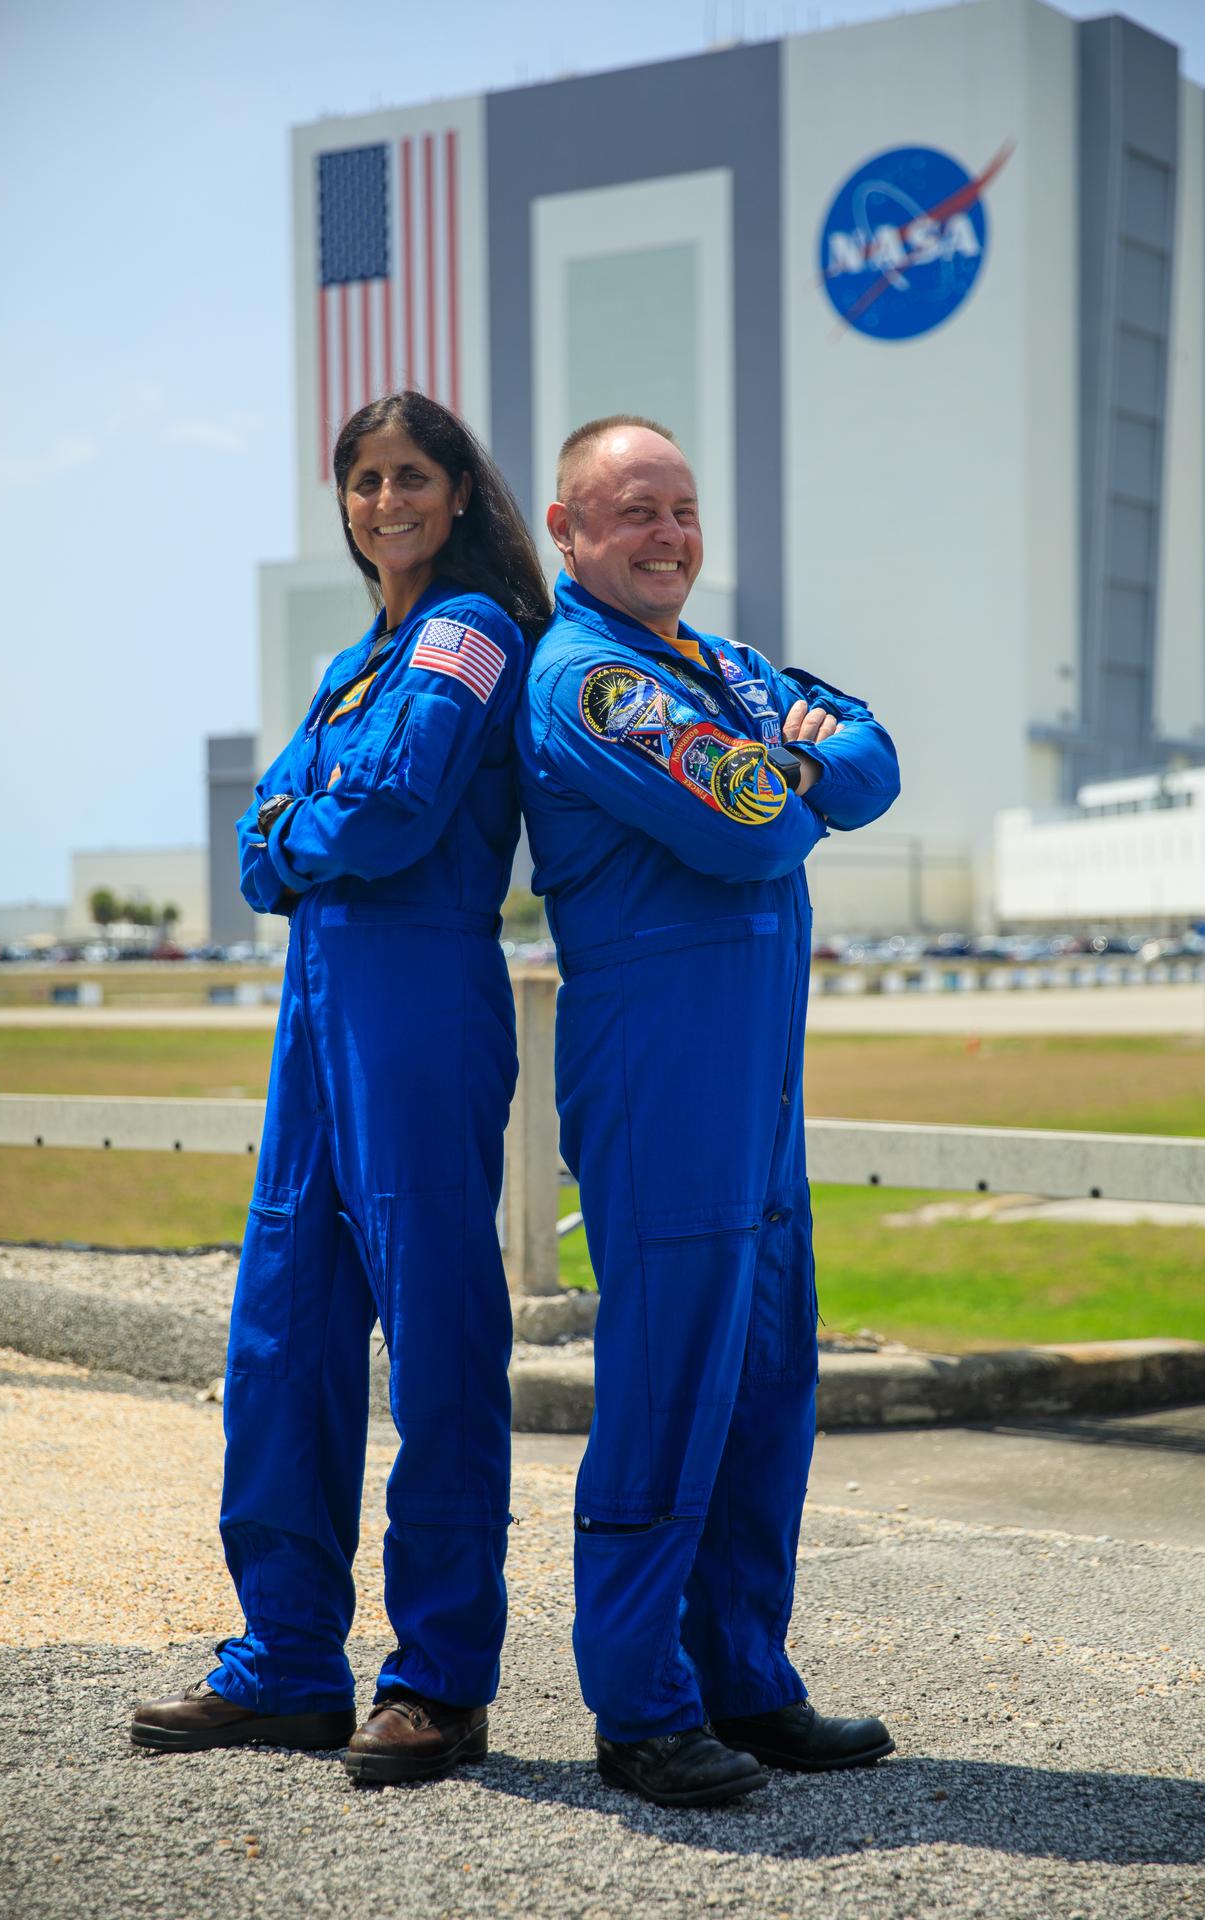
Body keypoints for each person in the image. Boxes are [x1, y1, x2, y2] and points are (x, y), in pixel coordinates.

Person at [131, 391, 551, 1786]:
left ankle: (437, 1678)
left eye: (411, 475)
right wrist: (304, 832)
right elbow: (269, 856)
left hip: (419, 1004)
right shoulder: (351, 661)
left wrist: (297, 828)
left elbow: (386, 812)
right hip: (317, 1014)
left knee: (434, 1346)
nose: (386, 501)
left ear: (458, 491)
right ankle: (287, 1660)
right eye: (363, 480)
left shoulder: (473, 633)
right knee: (281, 1341)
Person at [515, 416, 901, 1809]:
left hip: (759, 1090)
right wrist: (791, 773)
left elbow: (872, 760)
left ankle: (746, 1679)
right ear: (568, 532)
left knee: (763, 1392)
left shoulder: (720, 668)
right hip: (665, 1081)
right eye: (632, 512)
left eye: (681, 509)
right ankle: (640, 1704)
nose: (666, 535)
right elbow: (759, 822)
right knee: (671, 1385)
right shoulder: (588, 680)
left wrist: (797, 765)